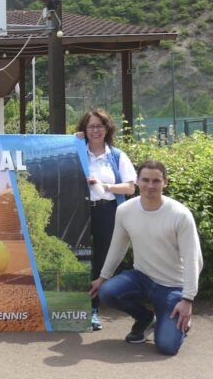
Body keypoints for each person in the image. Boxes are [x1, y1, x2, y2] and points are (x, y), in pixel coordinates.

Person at [89, 160, 202, 355]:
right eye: (145, 180)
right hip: (142, 278)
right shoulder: (125, 210)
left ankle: (179, 322)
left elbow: (194, 260)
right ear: (137, 181)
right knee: (107, 292)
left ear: (165, 182)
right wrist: (102, 278)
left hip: (173, 286)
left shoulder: (180, 215)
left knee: (167, 346)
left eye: (156, 181)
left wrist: (188, 300)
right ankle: (145, 318)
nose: (150, 186)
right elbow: (118, 247)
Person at [76, 109, 136, 331]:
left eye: (99, 126)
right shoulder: (75, 151)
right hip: (79, 210)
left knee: (101, 261)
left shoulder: (117, 155)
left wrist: (105, 186)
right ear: (84, 130)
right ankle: (71, 307)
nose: (95, 130)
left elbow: (130, 187)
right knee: (76, 257)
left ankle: (93, 310)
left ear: (107, 128)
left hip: (107, 210)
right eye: (91, 126)